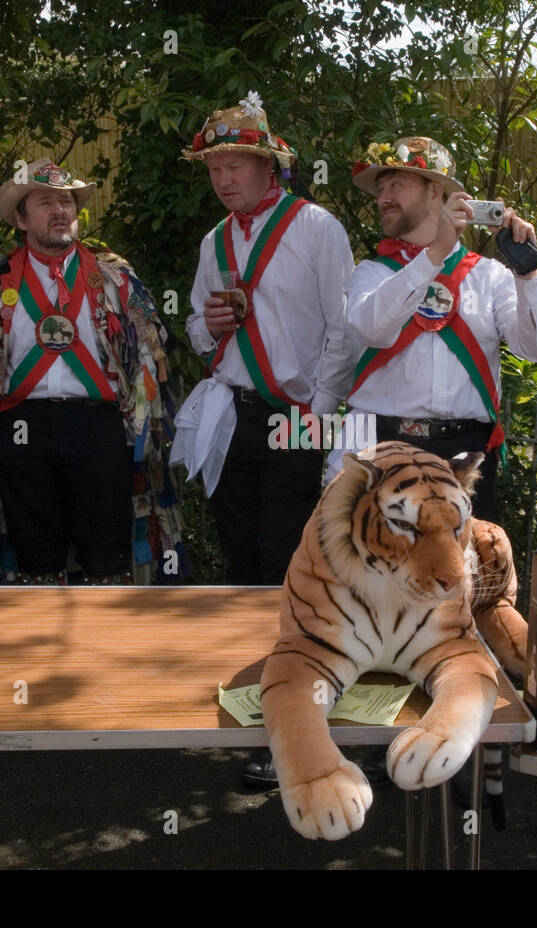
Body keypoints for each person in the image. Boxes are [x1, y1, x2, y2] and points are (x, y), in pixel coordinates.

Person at [0, 159, 183, 584]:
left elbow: (147, 357)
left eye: (66, 201)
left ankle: (107, 642)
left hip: (95, 423)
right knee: (35, 558)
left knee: (106, 556)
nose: (60, 210)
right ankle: (41, 644)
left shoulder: (114, 277)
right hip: (20, 427)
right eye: (45, 202)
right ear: (21, 220)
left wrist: (136, 421)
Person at [170, 92, 355, 585]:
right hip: (231, 413)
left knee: (286, 553)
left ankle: (285, 656)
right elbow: (194, 328)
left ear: (266, 165)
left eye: (234, 168)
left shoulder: (318, 229)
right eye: (214, 171)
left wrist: (320, 412)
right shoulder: (215, 240)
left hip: (297, 415)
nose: (223, 181)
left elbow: (344, 330)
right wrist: (208, 329)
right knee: (237, 549)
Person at [335, 137, 537, 522]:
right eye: (381, 188)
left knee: (461, 576)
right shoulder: (371, 273)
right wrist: (434, 254)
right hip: (382, 447)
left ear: (434, 191)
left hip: (466, 455)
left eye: (396, 185)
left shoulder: (489, 276)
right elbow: (372, 330)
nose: (383, 197)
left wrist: (529, 273)